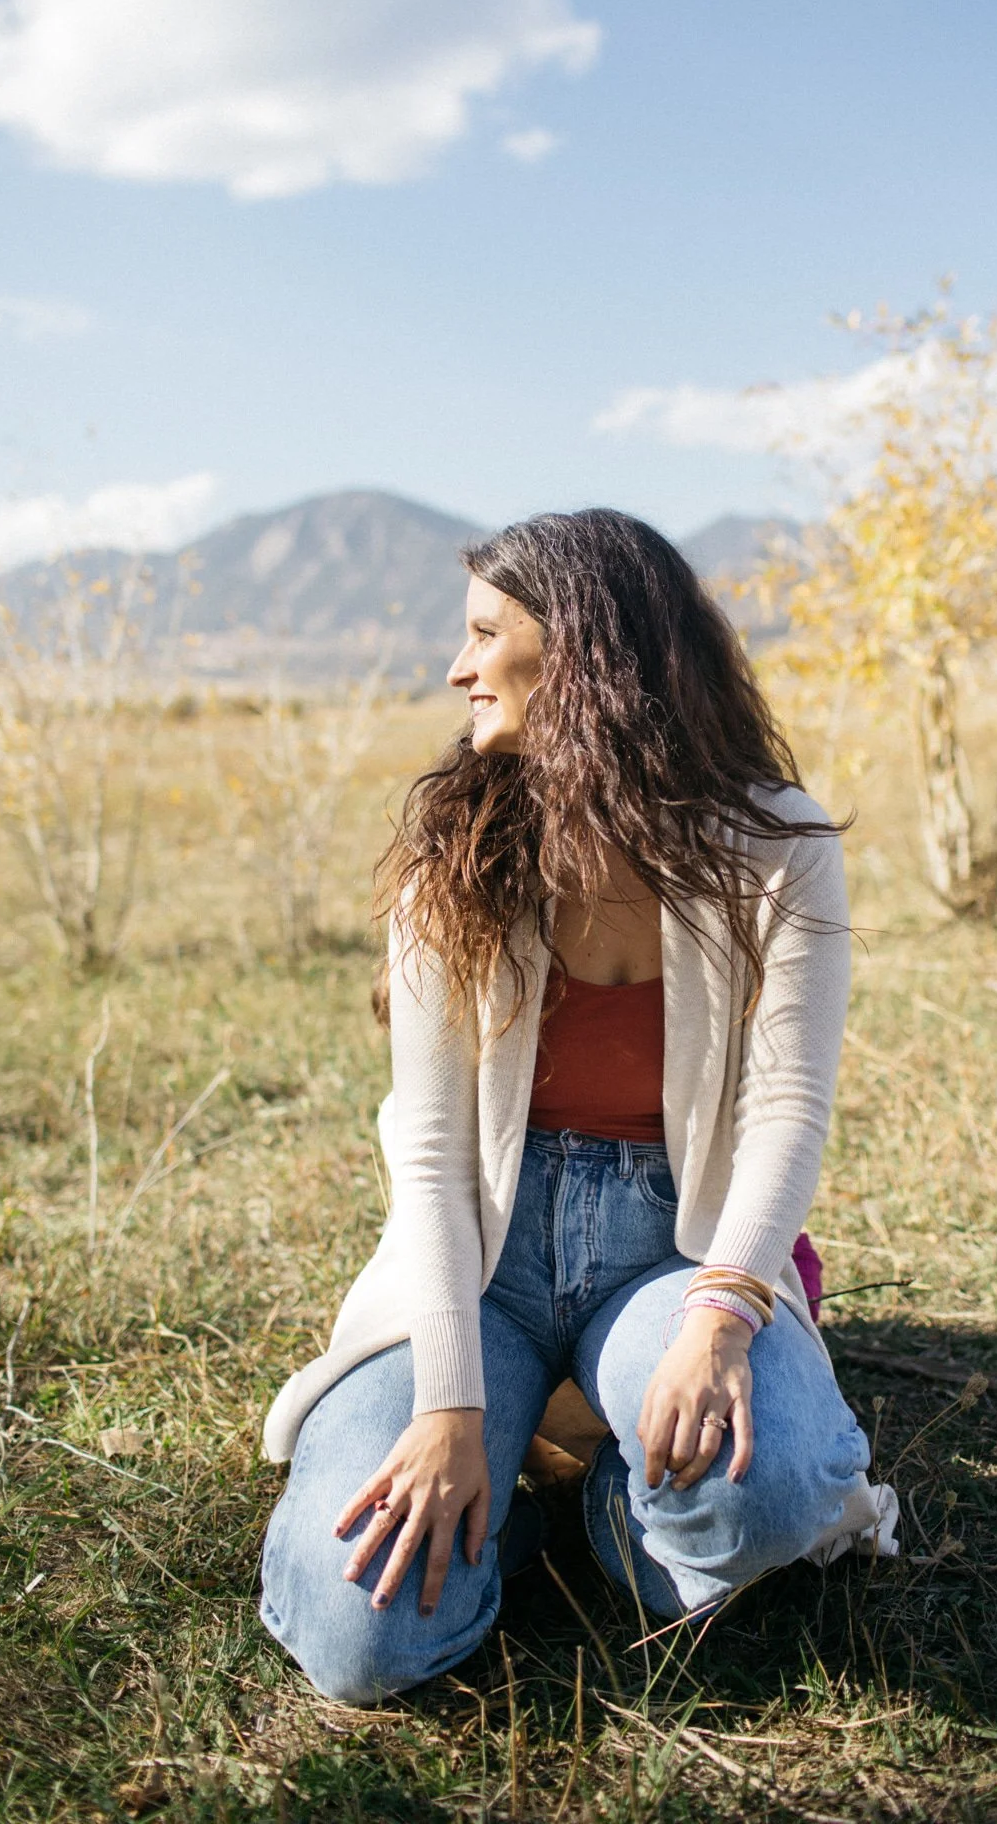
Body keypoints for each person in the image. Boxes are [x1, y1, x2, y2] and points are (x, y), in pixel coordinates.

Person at [259, 509, 897, 1706]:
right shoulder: (450, 855)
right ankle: (503, 1503)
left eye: (485, 634)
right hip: (481, 1254)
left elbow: (787, 1113)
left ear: (582, 654)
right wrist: (450, 1402)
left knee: (771, 1491)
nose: (457, 668)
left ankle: (610, 1507)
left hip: (672, 1250)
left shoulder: (778, 845)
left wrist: (718, 1321)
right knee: (362, 1638)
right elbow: (438, 1155)